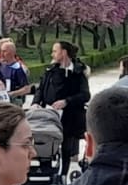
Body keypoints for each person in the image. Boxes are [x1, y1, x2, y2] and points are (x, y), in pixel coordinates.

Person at [34, 40, 91, 170]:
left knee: (67, 147)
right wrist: (36, 103)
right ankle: (45, 171)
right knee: (45, 145)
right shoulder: (50, 71)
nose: (52, 54)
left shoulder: (78, 72)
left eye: (55, 51)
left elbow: (85, 95)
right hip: (49, 116)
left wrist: (66, 101)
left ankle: (64, 173)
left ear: (64, 52)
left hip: (70, 117)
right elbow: (41, 89)